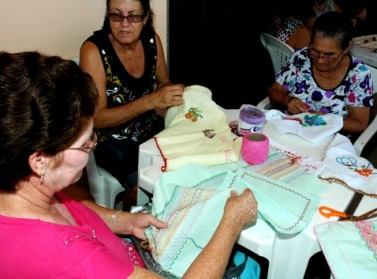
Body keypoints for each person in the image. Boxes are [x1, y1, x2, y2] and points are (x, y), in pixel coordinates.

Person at [0, 51, 258, 278]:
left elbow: (70, 211)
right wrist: (231, 223)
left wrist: (123, 221)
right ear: (40, 161)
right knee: (250, 268)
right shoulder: (68, 256)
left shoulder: (24, 187)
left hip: (122, 251)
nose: (93, 145)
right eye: (85, 143)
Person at [79, 0, 185, 195]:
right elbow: (97, 119)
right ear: (108, 15)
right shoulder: (94, 50)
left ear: (145, 18)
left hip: (149, 128)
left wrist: (173, 91)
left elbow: (163, 82)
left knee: (185, 166)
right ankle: (131, 211)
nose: (124, 23)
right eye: (117, 15)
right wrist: (151, 101)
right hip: (111, 140)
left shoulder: (152, 41)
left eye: (134, 16)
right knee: (148, 189)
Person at [268, 12, 374, 138]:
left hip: (330, 142)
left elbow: (359, 123)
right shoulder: (301, 58)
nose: (320, 60)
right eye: (315, 51)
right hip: (291, 132)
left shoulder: (358, 74)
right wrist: (288, 101)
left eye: (329, 55)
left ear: (346, 47)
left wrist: (326, 120)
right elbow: (273, 92)